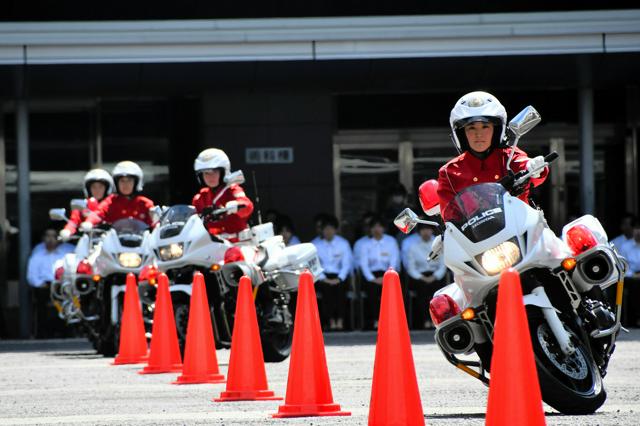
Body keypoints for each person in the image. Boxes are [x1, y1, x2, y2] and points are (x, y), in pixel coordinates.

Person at [437, 91, 549, 212]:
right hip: (474, 231)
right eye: (471, 127)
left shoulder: (509, 157)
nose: (478, 134)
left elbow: (526, 166)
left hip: (521, 229)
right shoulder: (449, 172)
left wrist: (535, 168)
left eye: (485, 127)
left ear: (496, 131)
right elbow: (449, 215)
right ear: (461, 134)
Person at [191, 148, 254, 241]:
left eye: (214, 172)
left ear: (223, 172)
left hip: (237, 244)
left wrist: (233, 206)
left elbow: (247, 206)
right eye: (206, 173)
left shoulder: (232, 189)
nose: (210, 177)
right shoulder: (199, 198)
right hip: (210, 245)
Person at [26, 225, 74, 337]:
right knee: (41, 301)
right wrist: (40, 285)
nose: (51, 239)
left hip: (62, 285)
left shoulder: (66, 253)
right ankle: (42, 333)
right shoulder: (37, 255)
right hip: (44, 286)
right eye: (48, 236)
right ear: (43, 238)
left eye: (54, 236)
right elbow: (32, 275)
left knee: (68, 300)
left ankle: (66, 331)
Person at [83, 161, 155, 230]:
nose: (125, 184)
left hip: (142, 241)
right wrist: (89, 222)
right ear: (116, 183)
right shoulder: (110, 201)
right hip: (114, 242)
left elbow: (155, 222)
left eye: (129, 180)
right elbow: (98, 214)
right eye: (122, 181)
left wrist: (158, 225)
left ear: (136, 182)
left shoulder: (145, 203)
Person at [312, 215, 353, 330]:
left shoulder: (343, 243)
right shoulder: (315, 245)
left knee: (341, 291)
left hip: (339, 276)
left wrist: (339, 278)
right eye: (326, 229)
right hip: (322, 276)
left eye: (331, 228)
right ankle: (330, 321)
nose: (328, 231)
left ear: (335, 230)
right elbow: (314, 265)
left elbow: (346, 264)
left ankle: (340, 321)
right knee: (327, 292)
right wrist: (324, 278)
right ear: (321, 230)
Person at [359, 216, 400, 329]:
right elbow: (364, 264)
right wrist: (372, 278)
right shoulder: (365, 244)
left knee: (389, 293)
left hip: (388, 274)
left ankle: (389, 320)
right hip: (372, 276)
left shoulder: (391, 241)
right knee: (371, 293)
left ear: (384, 228)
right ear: (370, 229)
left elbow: (394, 261)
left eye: (379, 226)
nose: (377, 229)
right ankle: (375, 320)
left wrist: (387, 277)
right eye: (374, 227)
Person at [405, 223, 447, 329]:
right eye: (423, 230)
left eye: (428, 229)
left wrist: (435, 276)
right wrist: (421, 277)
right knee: (422, 293)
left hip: (435, 275)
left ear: (432, 231)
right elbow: (411, 268)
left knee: (437, 294)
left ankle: (439, 320)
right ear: (419, 232)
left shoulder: (439, 244)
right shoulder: (413, 247)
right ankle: (426, 320)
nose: (426, 232)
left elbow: (443, 264)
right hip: (420, 276)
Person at [59, 168, 114, 241]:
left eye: (100, 187)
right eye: (93, 187)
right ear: (88, 189)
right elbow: (74, 221)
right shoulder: (83, 204)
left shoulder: (113, 203)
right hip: (88, 242)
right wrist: (68, 230)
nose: (97, 190)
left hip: (111, 241)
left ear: (107, 188)